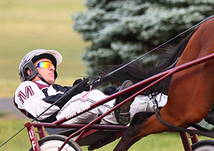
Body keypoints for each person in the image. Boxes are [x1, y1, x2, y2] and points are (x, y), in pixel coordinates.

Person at [13, 49, 166, 125]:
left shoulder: (57, 88)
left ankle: (160, 101)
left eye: (52, 65)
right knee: (90, 98)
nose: (52, 68)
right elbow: (39, 110)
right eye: (46, 64)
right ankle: (118, 108)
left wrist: (108, 94)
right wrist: (73, 93)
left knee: (104, 97)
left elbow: (67, 97)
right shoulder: (26, 87)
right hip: (57, 121)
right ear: (29, 70)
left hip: (74, 112)